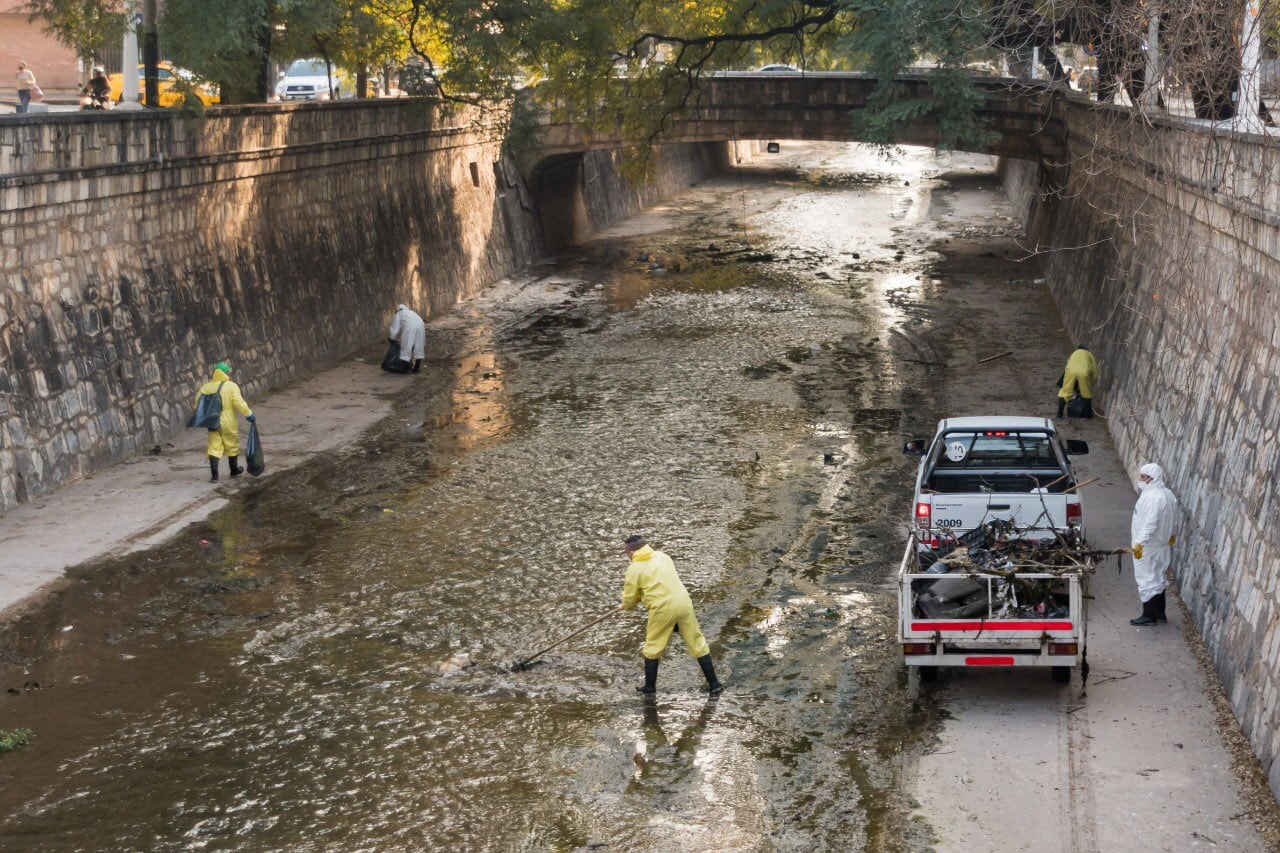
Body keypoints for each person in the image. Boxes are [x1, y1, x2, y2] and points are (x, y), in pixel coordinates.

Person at [621, 534, 722, 696]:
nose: (626, 555)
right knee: (697, 642)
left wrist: (629, 603)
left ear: (631, 552)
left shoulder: (634, 569)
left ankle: (649, 688)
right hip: (683, 603)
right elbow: (663, 580)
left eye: (625, 552)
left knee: (653, 646)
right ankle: (715, 684)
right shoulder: (663, 556)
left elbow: (629, 601)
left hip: (663, 609)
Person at [1129, 463, 1179, 626]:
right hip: (1162, 545)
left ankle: (1148, 616)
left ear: (1152, 478)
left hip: (1148, 547)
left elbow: (1151, 522)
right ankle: (1160, 614)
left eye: (1143, 477)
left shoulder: (1153, 497)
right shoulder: (1167, 494)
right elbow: (1174, 517)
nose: (1141, 479)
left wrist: (1139, 543)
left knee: (1146, 579)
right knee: (1158, 577)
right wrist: (1171, 535)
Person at [194, 361, 254, 482]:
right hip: (228, 420)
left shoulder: (206, 387)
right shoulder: (231, 386)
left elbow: (197, 405)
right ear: (225, 373)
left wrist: (207, 416)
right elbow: (238, 402)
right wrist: (249, 414)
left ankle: (214, 476)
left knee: (214, 446)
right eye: (228, 371)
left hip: (212, 421)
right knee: (231, 444)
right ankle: (233, 471)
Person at [1056, 346, 1098, 419]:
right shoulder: (1089, 354)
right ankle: (1087, 416)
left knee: (1065, 392)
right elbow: (1094, 371)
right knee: (1086, 394)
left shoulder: (1074, 353)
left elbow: (1068, 363)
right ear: (1087, 350)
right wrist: (1091, 382)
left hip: (1070, 371)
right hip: (1084, 372)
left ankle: (1059, 415)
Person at [384, 304, 426, 374]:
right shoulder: (411, 312)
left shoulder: (399, 313)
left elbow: (395, 329)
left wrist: (392, 338)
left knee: (406, 346)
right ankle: (416, 368)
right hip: (421, 326)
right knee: (418, 346)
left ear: (398, 310)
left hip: (410, 327)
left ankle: (406, 368)